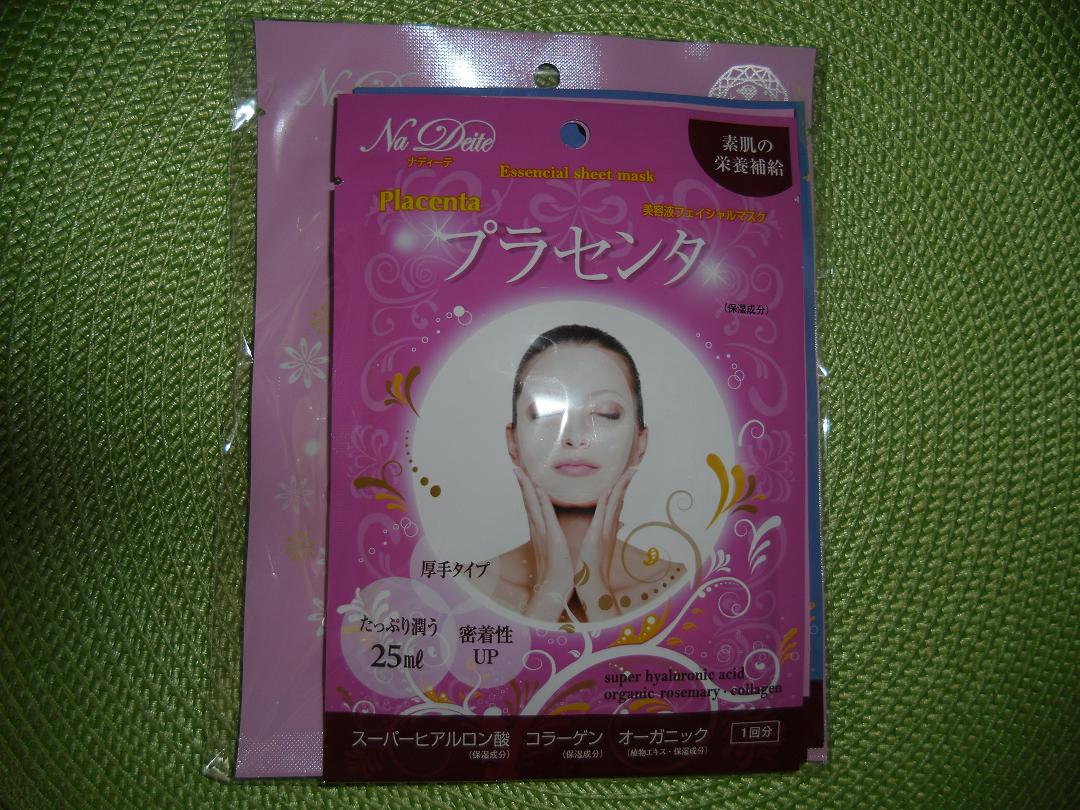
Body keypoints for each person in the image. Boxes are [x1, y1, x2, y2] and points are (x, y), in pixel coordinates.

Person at [474, 325, 685, 623]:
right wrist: (550, 592)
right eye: (547, 413)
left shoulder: (678, 587)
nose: (574, 437)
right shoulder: (470, 588)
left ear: (640, 442)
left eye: (606, 413)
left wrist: (595, 589)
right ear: (513, 441)